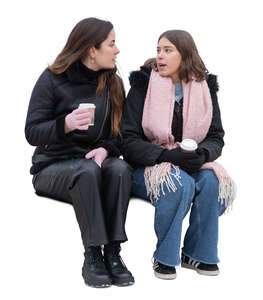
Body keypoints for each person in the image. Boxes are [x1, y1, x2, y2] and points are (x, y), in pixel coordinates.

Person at [25, 17, 134, 288]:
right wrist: (64, 124)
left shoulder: (113, 83)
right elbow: (31, 132)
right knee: (85, 171)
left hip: (92, 163)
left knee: (120, 169)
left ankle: (113, 254)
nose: (117, 50)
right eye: (112, 44)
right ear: (91, 50)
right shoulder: (52, 78)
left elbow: (122, 135)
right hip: (52, 167)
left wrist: (105, 149)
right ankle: (93, 255)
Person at [121, 30, 236, 280]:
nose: (160, 56)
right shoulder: (142, 85)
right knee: (178, 182)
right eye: (158, 50)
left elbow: (216, 135)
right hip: (146, 169)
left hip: (192, 163)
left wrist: (203, 154)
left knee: (212, 182)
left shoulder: (205, 87)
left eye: (168, 50)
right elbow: (127, 141)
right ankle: (165, 257)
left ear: (184, 54)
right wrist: (166, 156)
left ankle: (197, 254)